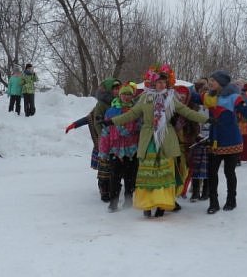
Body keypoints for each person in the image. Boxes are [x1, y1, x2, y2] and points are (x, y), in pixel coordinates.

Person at [107, 65, 208, 218]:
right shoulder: (145, 97)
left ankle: (162, 204)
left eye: (164, 82)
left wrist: (207, 119)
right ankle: (147, 205)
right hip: (148, 139)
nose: (161, 85)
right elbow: (132, 114)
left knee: (165, 173)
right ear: (153, 83)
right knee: (148, 173)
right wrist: (111, 121)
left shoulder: (171, 98)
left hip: (165, 138)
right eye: (158, 82)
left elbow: (187, 112)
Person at [201, 70, 247, 214]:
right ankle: (213, 202)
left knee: (229, 172)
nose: (210, 83)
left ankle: (231, 199)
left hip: (231, 140)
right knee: (211, 173)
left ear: (221, 83)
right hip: (214, 140)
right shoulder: (208, 97)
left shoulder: (233, 97)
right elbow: (194, 96)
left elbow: (246, 110)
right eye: (210, 80)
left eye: (214, 81)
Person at [66, 78, 122, 202]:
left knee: (115, 167)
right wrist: (75, 125)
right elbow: (93, 119)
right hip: (106, 139)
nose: (117, 91)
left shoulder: (120, 102)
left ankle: (114, 188)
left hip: (119, 139)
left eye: (119, 89)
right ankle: (104, 189)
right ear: (108, 90)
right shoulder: (101, 105)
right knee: (105, 166)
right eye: (114, 89)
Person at [98, 84, 140, 212]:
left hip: (131, 149)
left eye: (129, 94)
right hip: (115, 150)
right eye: (124, 94)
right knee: (114, 176)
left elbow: (139, 128)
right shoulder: (111, 111)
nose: (126, 97)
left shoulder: (136, 110)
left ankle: (128, 200)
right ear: (120, 95)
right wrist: (103, 150)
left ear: (132, 96)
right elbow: (106, 132)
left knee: (130, 176)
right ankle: (113, 202)